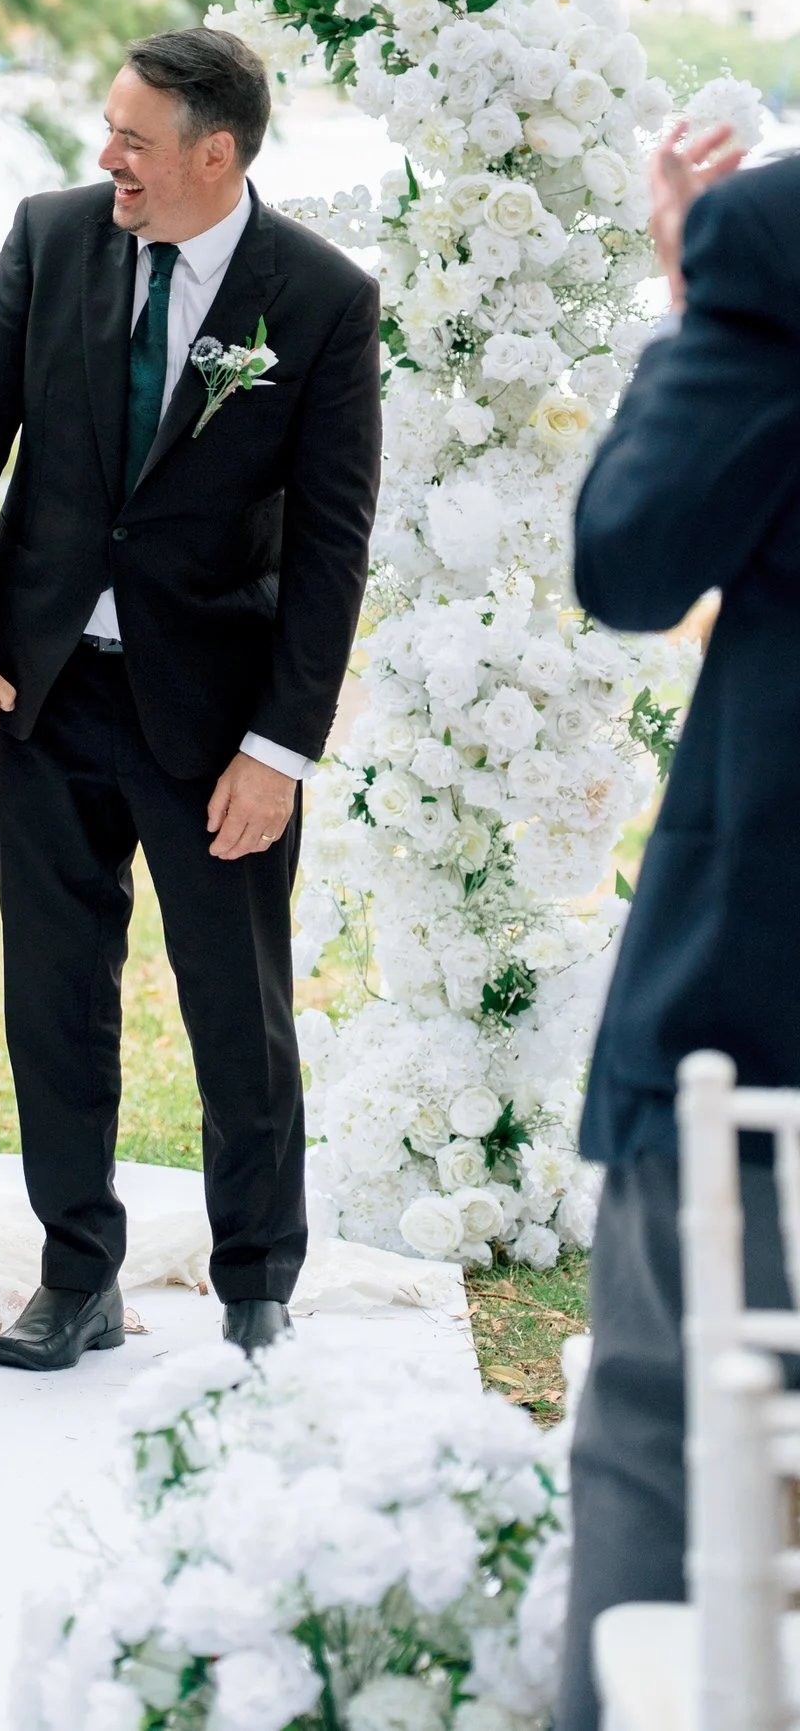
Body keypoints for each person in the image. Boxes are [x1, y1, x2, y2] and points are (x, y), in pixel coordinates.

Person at [0, 27, 383, 1370]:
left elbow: (333, 544)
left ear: (213, 153)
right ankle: (77, 1270)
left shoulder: (324, 296)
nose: (106, 157)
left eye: (133, 137)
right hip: (39, 692)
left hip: (218, 721)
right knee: (56, 995)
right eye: (107, 128)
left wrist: (280, 746)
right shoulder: (51, 237)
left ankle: (257, 1280)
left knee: (237, 1002)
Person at [557, 118, 800, 1731]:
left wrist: (688, 297)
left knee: (672, 1431)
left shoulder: (772, 240)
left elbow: (632, 559)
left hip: (769, 982)